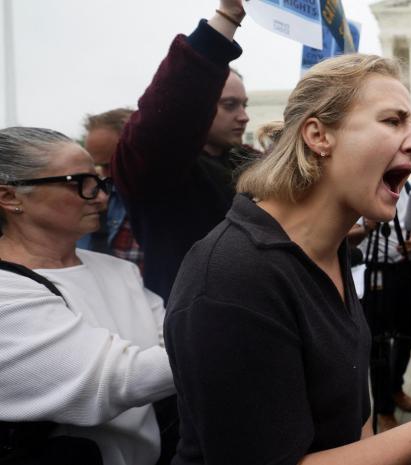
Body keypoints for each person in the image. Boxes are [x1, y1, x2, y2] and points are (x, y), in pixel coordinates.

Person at [163, 53, 411, 465]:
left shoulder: (329, 249)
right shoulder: (232, 280)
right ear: (319, 135)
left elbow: (352, 422)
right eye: (392, 121)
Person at [0, 127, 175, 465]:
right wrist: (225, 339)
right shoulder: (7, 289)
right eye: (78, 182)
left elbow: (174, 336)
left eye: (100, 182)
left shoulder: (116, 270)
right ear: (9, 197)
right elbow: (112, 381)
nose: (101, 197)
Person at [113, 0, 257, 301]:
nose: (243, 116)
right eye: (229, 105)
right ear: (201, 104)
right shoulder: (157, 171)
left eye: (244, 105)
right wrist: (228, 17)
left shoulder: (251, 164)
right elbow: (171, 114)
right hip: (191, 322)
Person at [358, 179, 411, 431]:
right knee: (378, 342)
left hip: (406, 267)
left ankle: (395, 387)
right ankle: (384, 407)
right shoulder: (365, 185)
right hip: (375, 269)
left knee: (408, 334)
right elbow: (348, 234)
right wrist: (367, 226)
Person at [77, 109, 144, 270]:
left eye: (110, 164)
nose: (106, 175)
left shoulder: (169, 198)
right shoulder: (95, 194)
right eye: (98, 165)